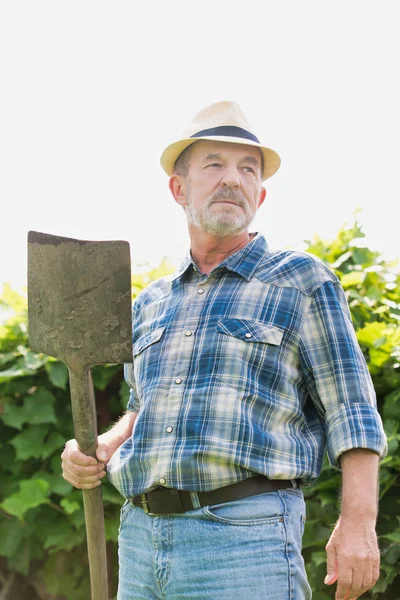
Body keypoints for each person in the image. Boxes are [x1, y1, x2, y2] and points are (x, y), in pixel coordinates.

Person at [62, 101, 388, 600]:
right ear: (179, 187)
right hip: (139, 540)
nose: (233, 179)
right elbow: (141, 406)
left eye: (248, 169)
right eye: (214, 164)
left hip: (244, 542)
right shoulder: (151, 303)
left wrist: (359, 524)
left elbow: (354, 410)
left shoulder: (301, 281)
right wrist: (105, 445)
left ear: (260, 192)